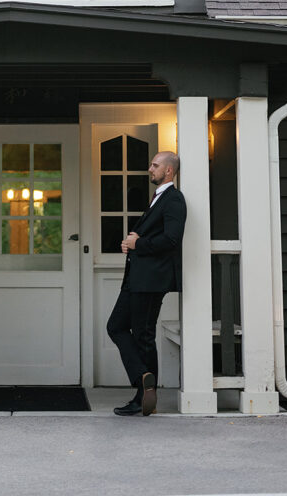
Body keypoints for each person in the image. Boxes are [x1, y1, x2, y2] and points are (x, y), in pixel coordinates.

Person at [106, 150, 186, 416]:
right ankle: (143, 376)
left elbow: (172, 240)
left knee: (143, 335)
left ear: (169, 171)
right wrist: (133, 244)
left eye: (155, 165)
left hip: (152, 280)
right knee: (116, 326)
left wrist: (138, 243)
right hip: (137, 277)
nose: (150, 169)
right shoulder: (158, 199)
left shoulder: (174, 199)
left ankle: (142, 396)